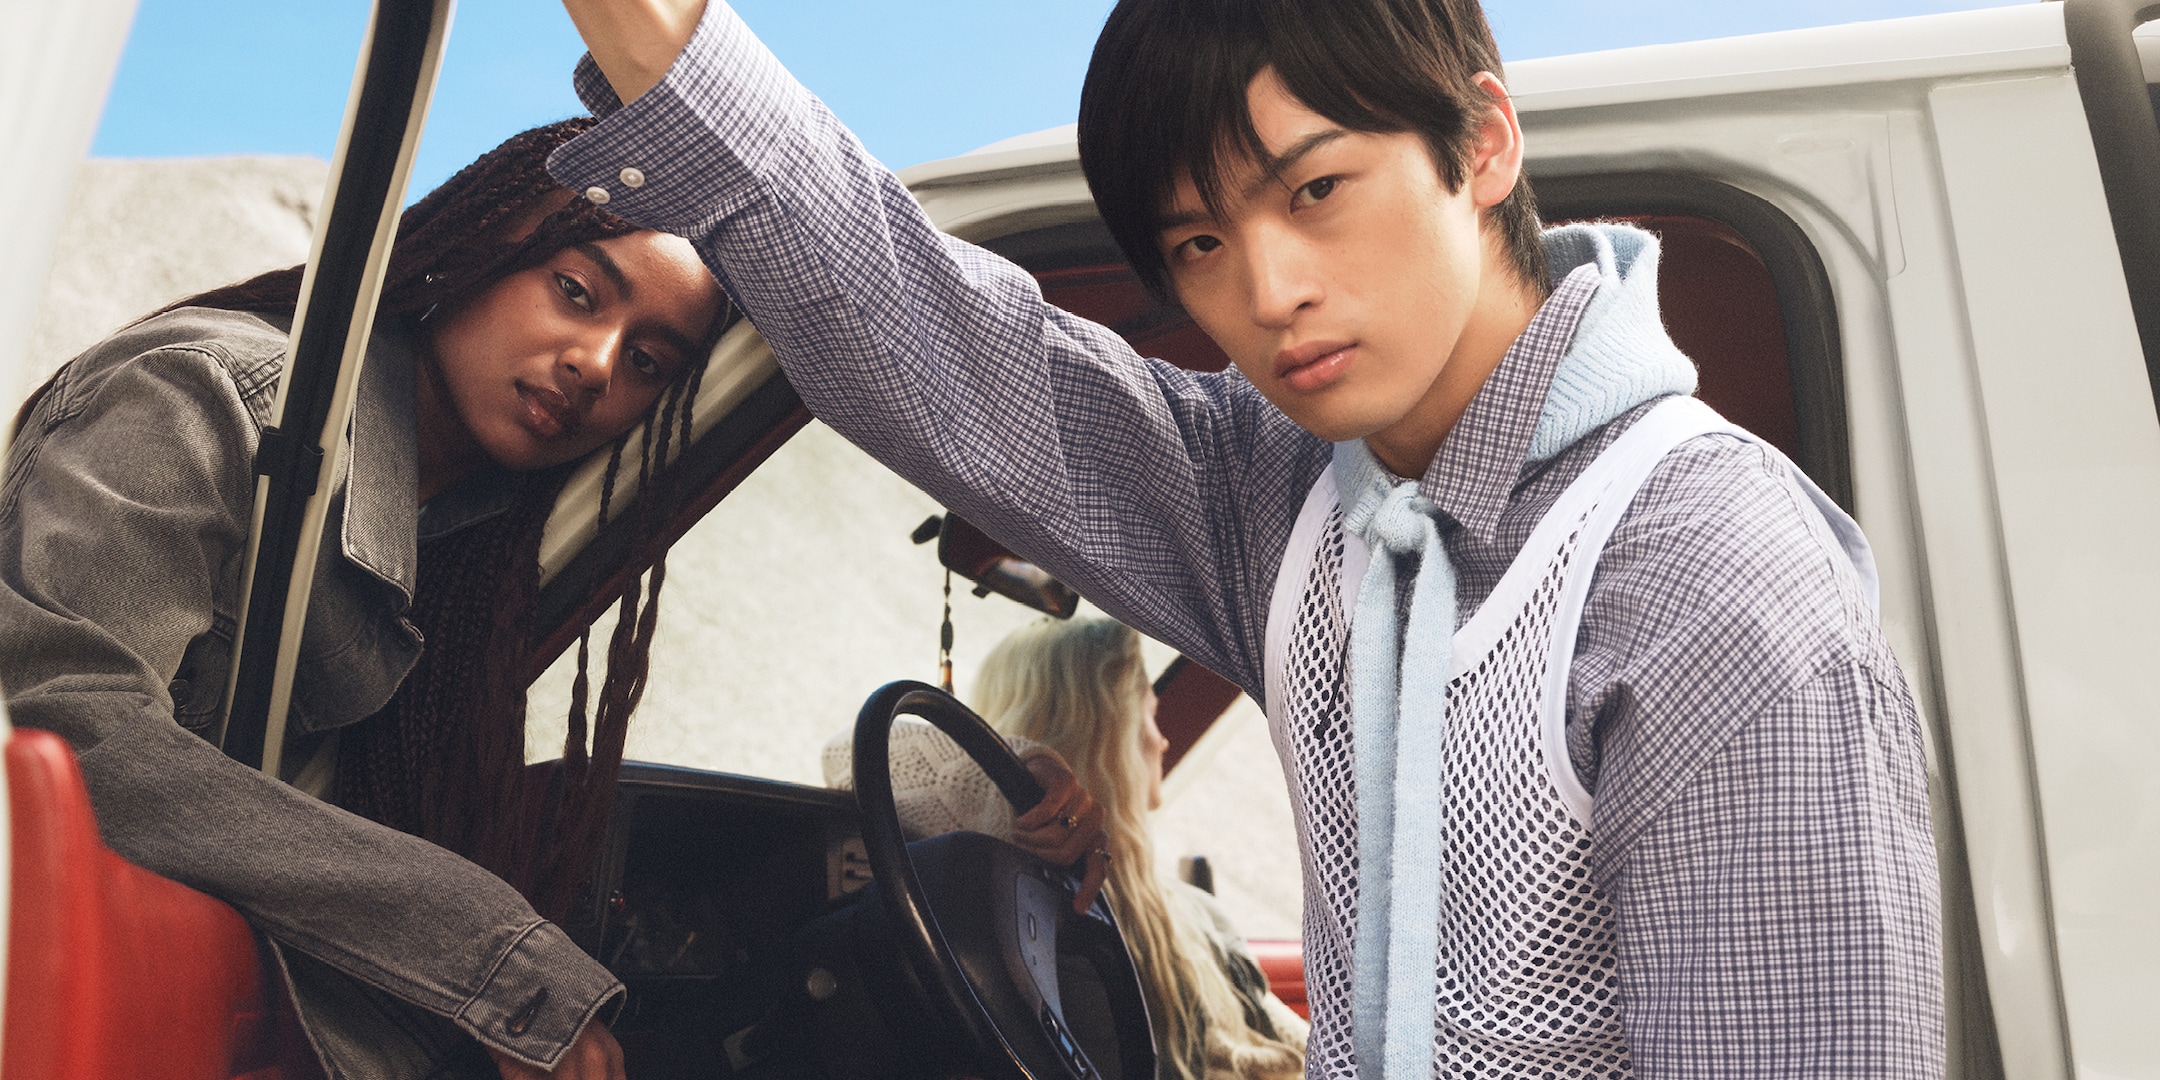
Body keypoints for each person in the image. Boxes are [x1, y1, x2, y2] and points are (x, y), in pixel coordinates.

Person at [550, 0, 1945, 1077]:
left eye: (1315, 190)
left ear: (1483, 142)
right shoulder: (1294, 503)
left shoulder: (1709, 578)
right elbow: (932, 335)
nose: (1271, 289)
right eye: (1201, 244)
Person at [0, 119, 1104, 1080]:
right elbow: (64, 733)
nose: (595, 364)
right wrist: (493, 955)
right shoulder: (214, 404)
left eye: (649, 363)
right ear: (483, 249)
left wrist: (985, 819)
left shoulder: (476, 545)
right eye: (578, 293)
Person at [824, 617, 1308, 1080]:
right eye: (1150, 715)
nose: (1162, 742)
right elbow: (848, 752)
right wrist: (1017, 771)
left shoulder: (1194, 913)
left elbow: (1299, 1044)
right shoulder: (1001, 861)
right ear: (1111, 736)